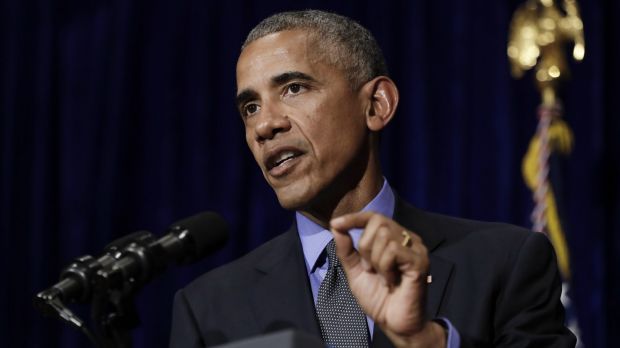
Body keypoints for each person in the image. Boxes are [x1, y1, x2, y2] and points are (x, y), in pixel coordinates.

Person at [169, 9, 576, 348]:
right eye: (250, 107)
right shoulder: (209, 308)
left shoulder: (504, 262)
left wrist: (426, 341)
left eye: (293, 88)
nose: (265, 125)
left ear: (377, 105)